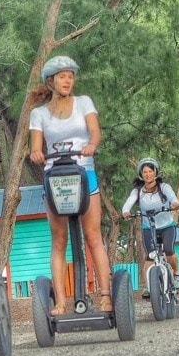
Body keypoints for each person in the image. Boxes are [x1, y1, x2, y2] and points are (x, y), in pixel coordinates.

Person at [29, 55, 113, 314]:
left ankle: (106, 295)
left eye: (70, 76)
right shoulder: (38, 113)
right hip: (56, 176)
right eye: (62, 76)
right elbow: (35, 146)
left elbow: (95, 132)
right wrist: (36, 153)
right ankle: (61, 302)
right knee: (59, 239)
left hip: (84, 171)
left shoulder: (84, 102)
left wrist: (92, 145)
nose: (67, 81)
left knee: (93, 235)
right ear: (51, 81)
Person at [121, 158, 179, 297]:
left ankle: (177, 275)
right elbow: (128, 203)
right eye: (145, 172)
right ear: (141, 174)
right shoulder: (138, 191)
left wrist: (175, 204)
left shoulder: (164, 187)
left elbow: (173, 199)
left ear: (155, 173)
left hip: (167, 226)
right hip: (149, 228)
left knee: (169, 250)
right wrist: (125, 211)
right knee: (150, 255)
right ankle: (149, 287)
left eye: (150, 171)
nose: (148, 174)